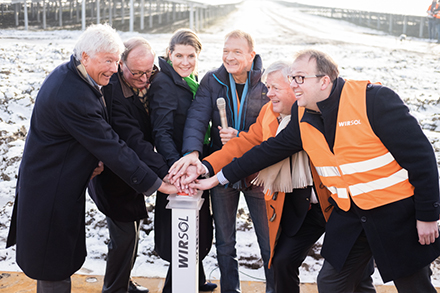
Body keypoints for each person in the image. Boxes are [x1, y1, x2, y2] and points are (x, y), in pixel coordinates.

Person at [188, 49, 440, 293]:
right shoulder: (302, 113)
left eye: (300, 78)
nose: (293, 85)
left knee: (414, 287)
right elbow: (266, 151)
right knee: (331, 283)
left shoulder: (374, 99)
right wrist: (217, 176)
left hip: (396, 213)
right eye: (291, 78)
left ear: (324, 81)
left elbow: (421, 157)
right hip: (351, 215)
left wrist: (428, 215)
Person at [171, 61, 375, 293]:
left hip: (340, 204)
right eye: (267, 87)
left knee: (354, 276)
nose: (268, 94)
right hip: (305, 208)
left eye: (274, 88)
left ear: (294, 86)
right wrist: (205, 166)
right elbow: (245, 145)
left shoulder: (315, 113)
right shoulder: (269, 114)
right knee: (282, 262)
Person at [6, 24, 177, 293]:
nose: (112, 68)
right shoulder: (73, 94)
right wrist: (157, 183)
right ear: (85, 56)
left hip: (60, 186)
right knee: (54, 269)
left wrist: (90, 162)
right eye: (107, 60)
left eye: (115, 60)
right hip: (50, 194)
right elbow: (110, 144)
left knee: (60, 263)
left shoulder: (77, 77)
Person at [175, 30, 274, 293]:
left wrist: (240, 136)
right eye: (226, 50)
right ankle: (231, 289)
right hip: (220, 169)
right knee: (225, 241)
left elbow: (272, 130)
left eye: (237, 52)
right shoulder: (213, 79)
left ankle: (275, 288)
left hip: (258, 172)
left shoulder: (268, 83)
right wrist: (192, 153)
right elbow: (197, 118)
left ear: (252, 55)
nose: (229, 57)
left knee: (269, 242)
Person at [88, 37, 166, 293]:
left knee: (132, 233)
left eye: (149, 71)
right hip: (113, 176)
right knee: (123, 237)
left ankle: (123, 282)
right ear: (121, 64)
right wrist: (165, 173)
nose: (144, 79)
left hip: (134, 174)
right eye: (137, 73)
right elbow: (134, 140)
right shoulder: (112, 94)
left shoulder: (151, 79)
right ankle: (113, 288)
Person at [147, 29, 216, 293]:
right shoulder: (165, 82)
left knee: (195, 224)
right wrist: (178, 168)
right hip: (177, 167)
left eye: (191, 56)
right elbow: (161, 131)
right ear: (169, 54)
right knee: (181, 233)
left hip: (194, 163)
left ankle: (195, 281)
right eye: (179, 55)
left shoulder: (190, 79)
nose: (185, 61)